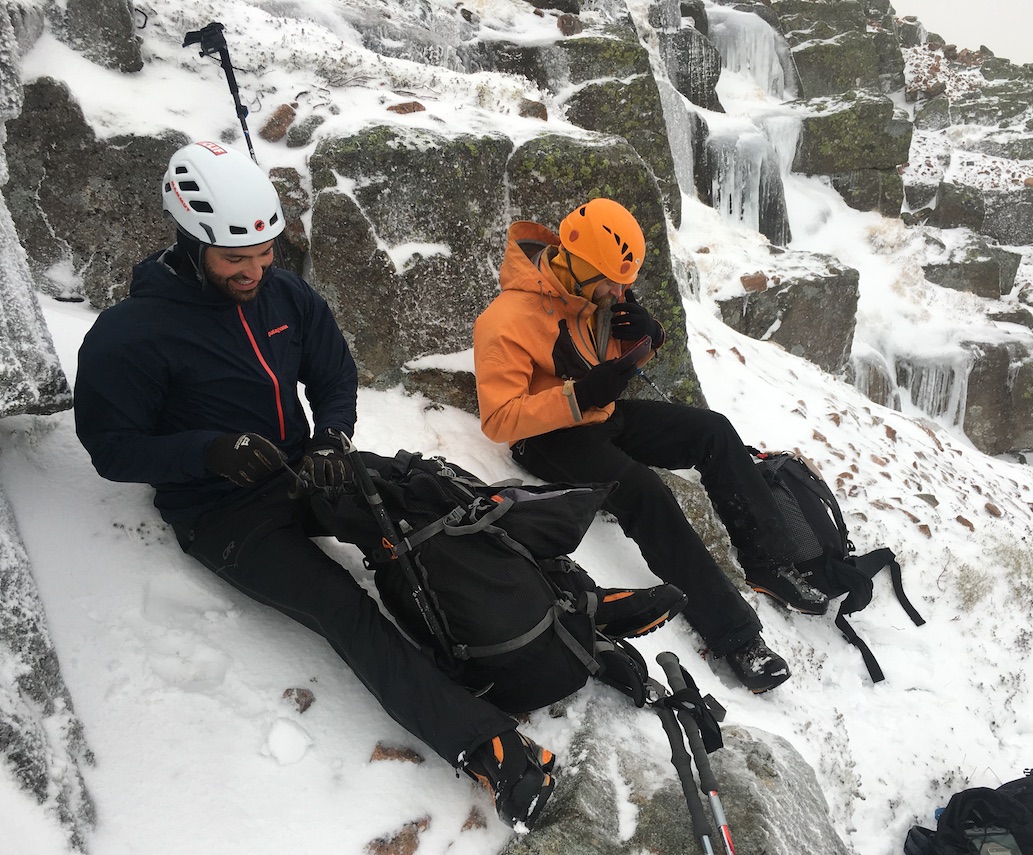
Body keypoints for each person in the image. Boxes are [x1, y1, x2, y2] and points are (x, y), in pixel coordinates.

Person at [72, 143, 682, 830]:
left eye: (265, 251)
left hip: (304, 463)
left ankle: (582, 602)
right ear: (190, 240)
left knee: (442, 498)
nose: (255, 270)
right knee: (345, 608)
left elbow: (332, 372)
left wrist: (332, 436)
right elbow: (111, 448)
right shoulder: (130, 336)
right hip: (223, 512)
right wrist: (206, 452)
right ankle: (491, 747)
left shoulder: (283, 294)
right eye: (234, 259)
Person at [473, 198, 831, 695]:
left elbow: (614, 361)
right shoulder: (505, 319)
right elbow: (499, 418)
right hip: (546, 439)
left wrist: (649, 336)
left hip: (600, 415)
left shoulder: (590, 295)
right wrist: (580, 396)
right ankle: (737, 637)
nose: (619, 291)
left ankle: (767, 561)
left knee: (714, 432)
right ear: (577, 266)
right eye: (611, 281)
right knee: (646, 494)